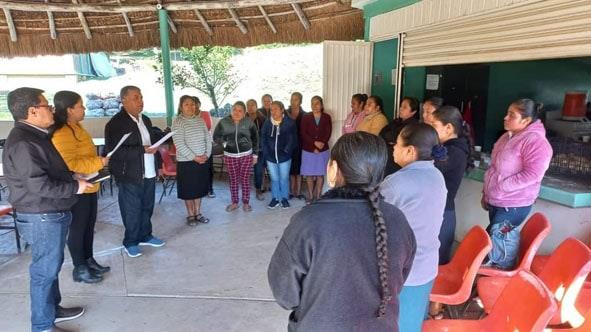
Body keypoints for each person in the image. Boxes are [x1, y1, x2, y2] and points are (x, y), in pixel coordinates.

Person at [268, 132, 416, 331]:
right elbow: (400, 279)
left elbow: (285, 294)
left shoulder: (308, 221)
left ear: (333, 169)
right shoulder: (398, 219)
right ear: (380, 175)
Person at [4, 87, 93, 332]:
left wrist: (71, 175)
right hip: (40, 215)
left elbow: (47, 171)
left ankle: (53, 309)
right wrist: (75, 186)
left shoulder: (36, 135)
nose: (51, 109)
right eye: (46, 105)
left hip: (48, 212)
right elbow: (37, 184)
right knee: (44, 270)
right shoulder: (23, 142)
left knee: (51, 263)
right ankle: (42, 325)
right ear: (32, 111)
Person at [380, 123, 447, 332]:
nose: (393, 148)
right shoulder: (437, 176)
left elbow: (374, 222)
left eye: (397, 144)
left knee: (396, 324)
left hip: (403, 270)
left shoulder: (396, 183)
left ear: (410, 151)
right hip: (426, 266)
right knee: (412, 321)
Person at [51, 90, 111, 284]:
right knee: (77, 228)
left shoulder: (76, 127)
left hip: (89, 184)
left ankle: (89, 260)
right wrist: (99, 163)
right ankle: (80, 268)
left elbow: (83, 155)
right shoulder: (61, 132)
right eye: (80, 106)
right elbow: (69, 163)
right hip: (76, 188)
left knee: (88, 226)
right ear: (69, 109)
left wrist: (96, 163)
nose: (84, 109)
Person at [105, 86, 166, 258]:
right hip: (129, 174)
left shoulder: (145, 119)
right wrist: (141, 150)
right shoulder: (116, 124)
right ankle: (130, 241)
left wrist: (159, 164)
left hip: (149, 171)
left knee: (147, 206)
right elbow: (114, 152)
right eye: (135, 98)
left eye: (141, 97)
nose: (140, 101)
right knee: (131, 210)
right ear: (123, 100)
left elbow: (153, 144)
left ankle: (145, 235)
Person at [482, 98, 552, 231]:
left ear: (526, 120)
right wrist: (486, 193)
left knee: (497, 246)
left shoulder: (536, 142)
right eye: (507, 113)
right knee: (494, 243)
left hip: (513, 204)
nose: (505, 117)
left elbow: (533, 175)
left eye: (512, 115)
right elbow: (495, 168)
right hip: (497, 200)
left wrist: (501, 187)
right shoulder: (507, 136)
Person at [429, 106, 471, 264]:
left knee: (437, 262)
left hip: (442, 213)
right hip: (440, 210)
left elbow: (429, 169)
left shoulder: (453, 152)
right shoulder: (446, 149)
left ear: (448, 128)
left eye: (434, 125)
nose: (430, 129)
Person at [172, 95, 212, 226]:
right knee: (188, 190)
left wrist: (207, 154)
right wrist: (195, 157)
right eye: (187, 104)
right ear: (181, 107)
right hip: (186, 162)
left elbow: (208, 138)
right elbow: (179, 143)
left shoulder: (200, 120)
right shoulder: (177, 121)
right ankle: (190, 214)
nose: (190, 107)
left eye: (192, 104)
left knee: (199, 189)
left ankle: (198, 213)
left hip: (202, 160)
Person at [213, 101, 259, 212]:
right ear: (231, 110)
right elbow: (216, 136)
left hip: (246, 155)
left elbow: (256, 139)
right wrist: (225, 144)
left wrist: (255, 155)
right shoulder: (223, 122)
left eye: (240, 111)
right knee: (233, 180)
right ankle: (234, 202)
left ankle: (246, 203)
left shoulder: (249, 122)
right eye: (234, 110)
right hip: (230, 155)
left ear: (244, 113)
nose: (237, 112)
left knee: (245, 179)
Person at [261, 101, 298, 209]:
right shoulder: (267, 123)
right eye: (271, 109)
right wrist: (267, 153)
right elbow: (263, 138)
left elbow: (293, 140)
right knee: (274, 178)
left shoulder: (290, 122)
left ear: (282, 109)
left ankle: (284, 198)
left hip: (285, 157)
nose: (273, 112)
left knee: (284, 178)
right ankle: (275, 199)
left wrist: (286, 151)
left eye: (276, 109)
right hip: (271, 157)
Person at [299, 96, 332, 204]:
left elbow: (328, 132)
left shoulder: (326, 117)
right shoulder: (306, 117)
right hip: (308, 150)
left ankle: (318, 196)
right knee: (309, 174)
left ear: (321, 105)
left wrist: (321, 144)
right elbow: (303, 133)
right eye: (312, 103)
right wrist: (314, 145)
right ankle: (310, 195)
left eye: (317, 103)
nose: (314, 105)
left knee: (320, 174)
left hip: (323, 149)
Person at [380, 96, 420, 176]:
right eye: (401, 106)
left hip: (396, 159)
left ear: (413, 112)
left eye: (404, 107)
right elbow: (382, 133)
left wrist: (390, 138)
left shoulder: (413, 125)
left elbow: (393, 137)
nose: (401, 109)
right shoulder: (397, 121)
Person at [193, 96, 216, 198]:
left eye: (195, 103)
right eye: (192, 104)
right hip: (193, 145)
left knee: (209, 168)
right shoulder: (187, 116)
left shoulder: (205, 114)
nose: (194, 106)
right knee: (196, 168)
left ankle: (210, 189)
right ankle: (198, 188)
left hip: (207, 144)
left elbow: (208, 127)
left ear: (199, 104)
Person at [247, 98, 267, 201]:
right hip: (245, 150)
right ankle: (244, 192)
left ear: (256, 106)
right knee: (243, 171)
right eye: (248, 105)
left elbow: (265, 134)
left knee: (258, 171)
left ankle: (258, 190)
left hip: (259, 149)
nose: (250, 107)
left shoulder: (262, 118)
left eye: (252, 105)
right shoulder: (243, 118)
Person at [286, 92, 305, 200]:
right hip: (287, 146)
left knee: (298, 170)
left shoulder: (305, 114)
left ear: (300, 101)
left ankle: (298, 192)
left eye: (296, 99)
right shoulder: (285, 113)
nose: (293, 101)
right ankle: (291, 191)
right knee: (290, 169)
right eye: (292, 99)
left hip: (300, 145)